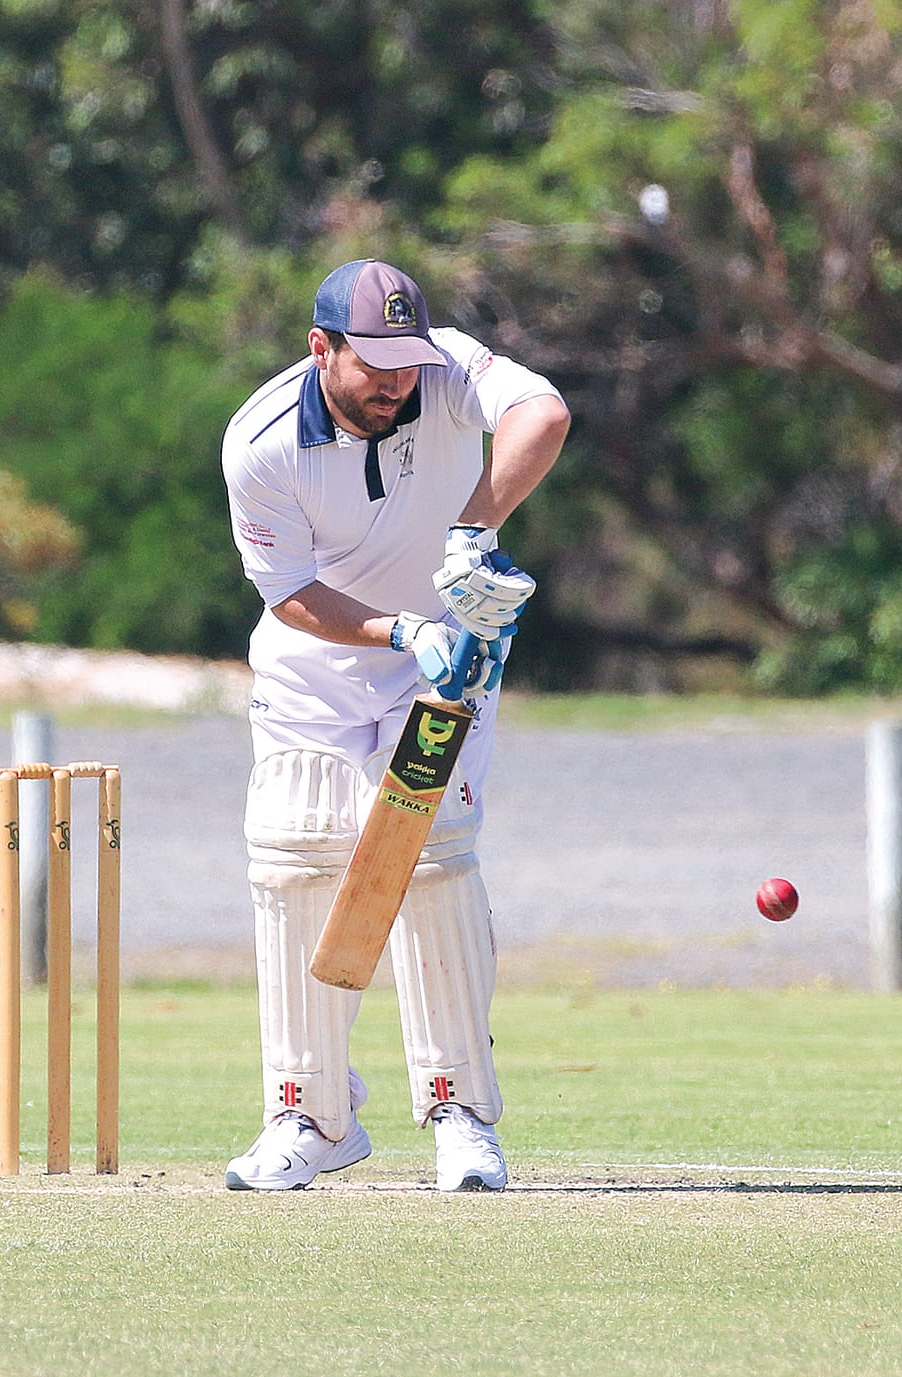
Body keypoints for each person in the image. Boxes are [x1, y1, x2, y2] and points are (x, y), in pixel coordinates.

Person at [219, 258, 569, 1191]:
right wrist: (399, 630)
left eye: (406, 362)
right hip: (320, 663)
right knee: (294, 848)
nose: (396, 384)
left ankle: (461, 1113)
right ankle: (310, 1114)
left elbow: (546, 416)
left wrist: (475, 530)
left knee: (435, 850)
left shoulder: (446, 371)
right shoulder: (259, 442)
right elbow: (290, 594)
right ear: (320, 348)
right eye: (373, 364)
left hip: (452, 662)